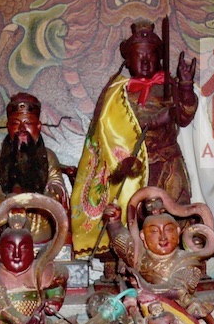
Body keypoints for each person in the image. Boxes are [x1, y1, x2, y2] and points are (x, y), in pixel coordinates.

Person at [71, 20, 198, 258]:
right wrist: (152, 122)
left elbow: (185, 116)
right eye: (139, 56)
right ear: (128, 61)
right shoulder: (117, 93)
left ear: (159, 58)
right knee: (133, 214)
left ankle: (181, 257)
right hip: (133, 166)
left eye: (151, 55)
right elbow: (109, 131)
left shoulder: (169, 86)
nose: (146, 61)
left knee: (176, 210)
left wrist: (185, 85)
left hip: (168, 163)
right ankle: (129, 257)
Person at [0, 92, 69, 243]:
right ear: (8, 127)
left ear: (38, 126)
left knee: (52, 202)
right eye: (16, 124)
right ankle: (1, 241)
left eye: (28, 123)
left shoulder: (48, 156)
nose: (21, 129)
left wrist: (51, 191)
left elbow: (56, 181)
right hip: (7, 208)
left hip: (38, 209)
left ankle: (42, 240)